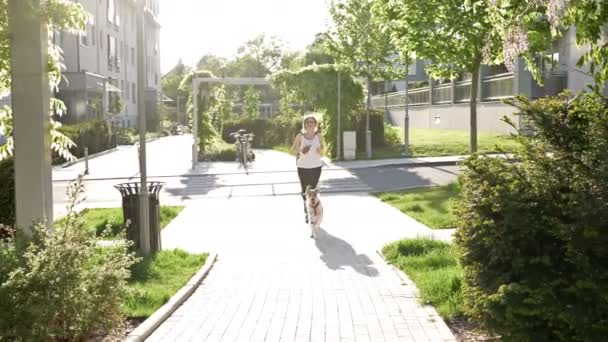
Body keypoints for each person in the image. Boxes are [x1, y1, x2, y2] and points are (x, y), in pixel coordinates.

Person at [292, 113, 325, 223]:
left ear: (315, 124)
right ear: (305, 124)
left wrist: (320, 151)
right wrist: (301, 150)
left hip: (316, 166)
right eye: (308, 122)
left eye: (312, 122)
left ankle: (314, 212)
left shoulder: (319, 136)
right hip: (303, 167)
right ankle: (307, 212)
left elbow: (324, 151)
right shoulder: (300, 136)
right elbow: (292, 150)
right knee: (305, 190)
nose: (310, 124)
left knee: (313, 190)